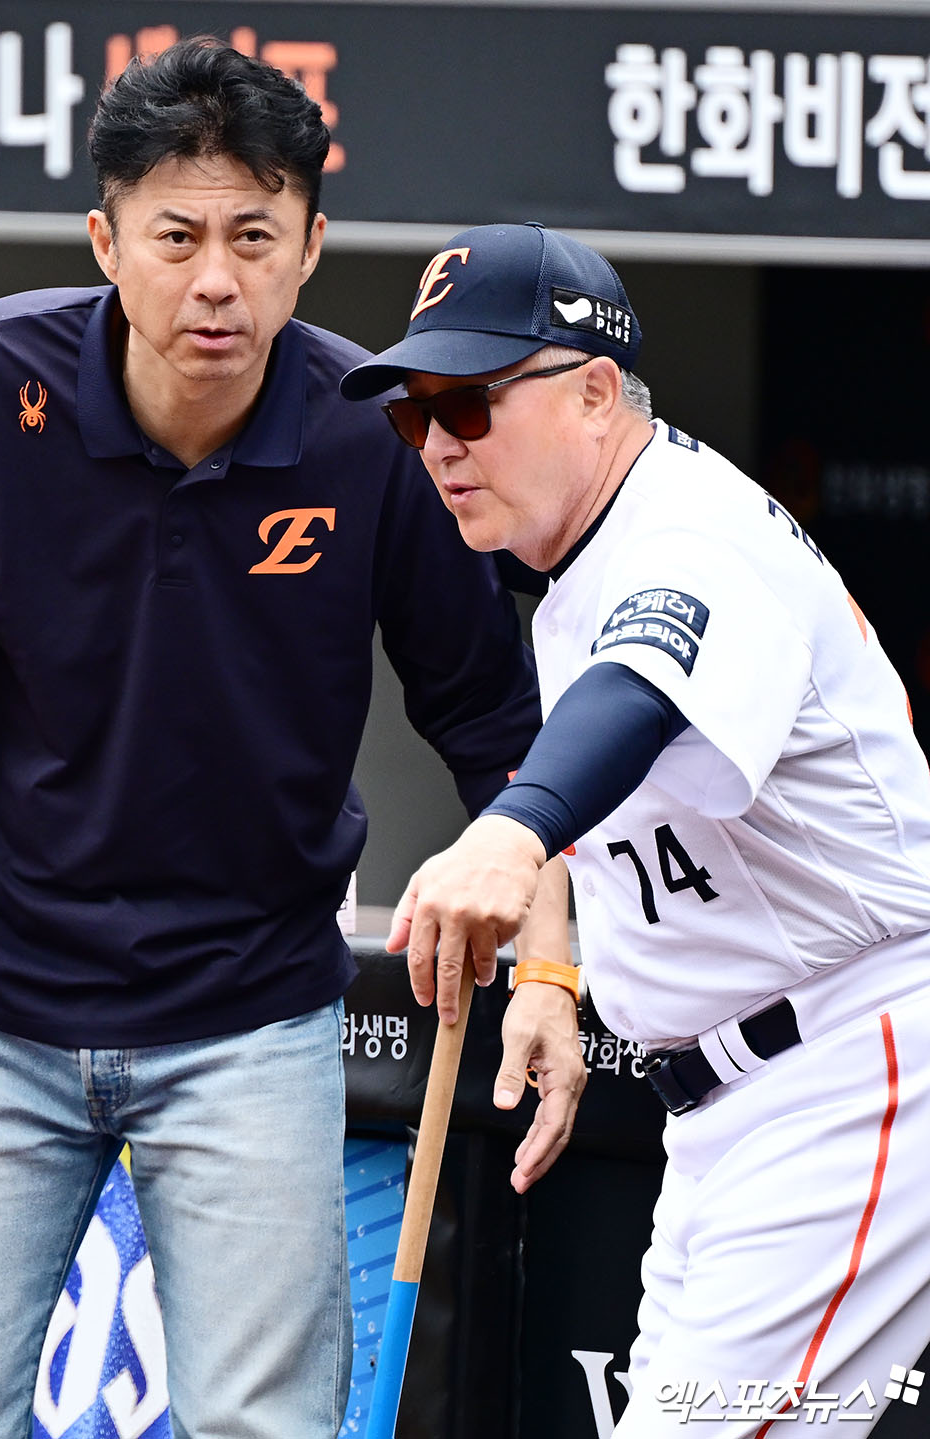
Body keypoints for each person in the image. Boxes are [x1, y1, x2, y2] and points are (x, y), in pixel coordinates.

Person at [0, 43, 546, 1439]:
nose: (216, 280)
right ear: (106, 243)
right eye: (177, 236)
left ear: (310, 248)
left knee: (264, 1426)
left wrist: (549, 961)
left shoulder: (371, 438)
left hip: (249, 1022)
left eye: (254, 236)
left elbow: (500, 729)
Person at [340, 220, 930, 1434]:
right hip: (738, 1103)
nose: (440, 443)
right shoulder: (583, 559)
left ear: (597, 392)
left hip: (852, 1060)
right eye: (416, 414)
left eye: (470, 401)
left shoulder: (687, 531)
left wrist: (510, 833)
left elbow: (635, 697)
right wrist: (553, 972)